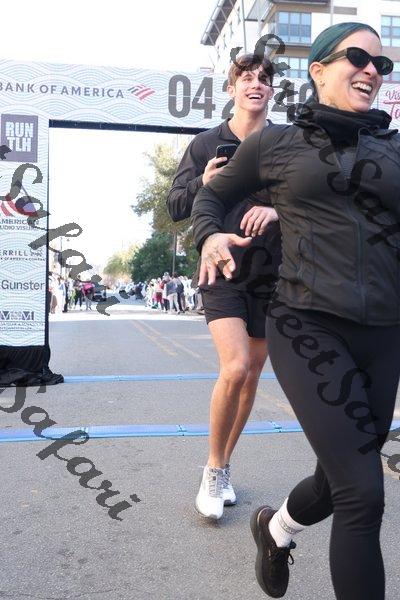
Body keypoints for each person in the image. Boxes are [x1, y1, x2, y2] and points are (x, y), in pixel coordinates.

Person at [191, 22, 400, 600]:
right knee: (363, 493)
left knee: (339, 480)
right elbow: (210, 195)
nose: (372, 70)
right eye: (358, 57)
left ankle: (276, 529)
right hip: (308, 326)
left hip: (385, 334)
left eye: (382, 65)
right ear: (318, 69)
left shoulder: (393, 150)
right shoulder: (277, 144)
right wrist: (209, 234)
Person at [168, 53, 281, 520]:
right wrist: (204, 181)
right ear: (232, 89)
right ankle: (212, 469)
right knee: (234, 367)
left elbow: (312, 202)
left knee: (251, 375)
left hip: (273, 273)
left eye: (264, 79)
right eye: (246, 78)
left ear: (271, 90)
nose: (256, 84)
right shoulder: (206, 143)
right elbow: (176, 205)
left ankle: (226, 464)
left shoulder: (285, 143)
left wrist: (278, 210)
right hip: (221, 269)